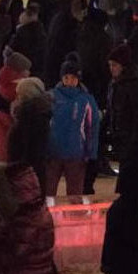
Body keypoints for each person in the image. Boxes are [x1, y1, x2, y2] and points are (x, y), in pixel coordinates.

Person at [45, 55, 100, 196]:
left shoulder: (86, 100)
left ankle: (74, 216)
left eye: (73, 78)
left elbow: (92, 127)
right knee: (48, 191)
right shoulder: (51, 97)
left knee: (75, 193)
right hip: (53, 152)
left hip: (76, 153)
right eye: (66, 77)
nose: (69, 81)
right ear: (61, 78)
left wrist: (90, 151)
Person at [105, 44, 138, 172]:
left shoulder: (133, 85)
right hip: (122, 139)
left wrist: (137, 141)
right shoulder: (115, 83)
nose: (111, 68)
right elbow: (111, 110)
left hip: (132, 141)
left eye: (114, 65)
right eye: (110, 65)